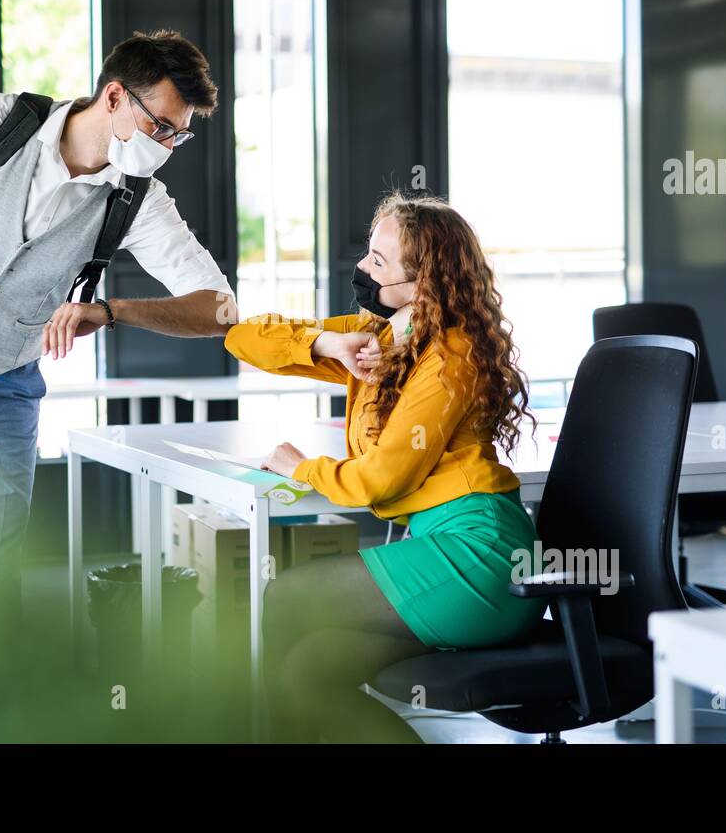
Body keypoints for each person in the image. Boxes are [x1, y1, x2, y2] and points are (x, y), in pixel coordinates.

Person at [0, 30, 237, 647]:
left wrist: (111, 311)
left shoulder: (140, 200)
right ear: (114, 96)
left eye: (179, 135)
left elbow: (220, 310)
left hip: (6, 382)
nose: (168, 146)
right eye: (162, 126)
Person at [223, 191, 539, 742]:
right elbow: (244, 337)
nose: (362, 268)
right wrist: (324, 343)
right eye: (369, 253)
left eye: (378, 261)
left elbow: (383, 478)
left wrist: (302, 468)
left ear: (423, 285)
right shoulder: (378, 337)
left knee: (289, 596)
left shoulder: (451, 355)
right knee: (310, 671)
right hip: (445, 550)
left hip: (481, 558)